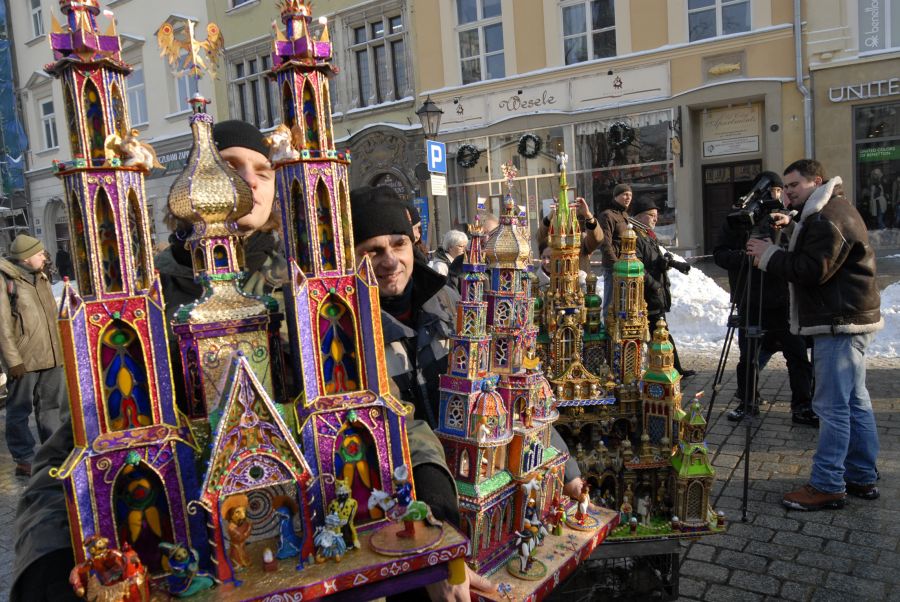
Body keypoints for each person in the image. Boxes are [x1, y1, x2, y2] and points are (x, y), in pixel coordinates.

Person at [11, 120, 288, 601]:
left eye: (262, 169)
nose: (248, 180)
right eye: (230, 165)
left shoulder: (299, 287)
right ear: (195, 186)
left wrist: (430, 489)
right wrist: (48, 568)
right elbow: (67, 456)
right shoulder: (137, 299)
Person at [351, 185, 492, 600]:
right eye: (373, 250)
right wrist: (439, 536)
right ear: (352, 255)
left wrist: (568, 471)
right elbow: (399, 421)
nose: (390, 259)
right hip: (409, 513)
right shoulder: (347, 328)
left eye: (398, 243)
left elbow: (494, 382)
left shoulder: (449, 302)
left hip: (473, 490)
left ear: (413, 242)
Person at [747, 159, 882, 510]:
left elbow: (813, 269)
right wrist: (792, 229)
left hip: (838, 322)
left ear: (816, 181)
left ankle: (827, 484)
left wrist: (770, 254)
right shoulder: (829, 211)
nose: (788, 192)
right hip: (849, 319)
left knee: (832, 407)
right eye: (786, 186)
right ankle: (861, 476)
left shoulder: (826, 217)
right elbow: (822, 255)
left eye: (794, 186)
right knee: (856, 402)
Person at [713, 171, 815, 425]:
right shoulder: (738, 219)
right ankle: (748, 403)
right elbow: (720, 254)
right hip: (750, 297)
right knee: (748, 357)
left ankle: (803, 406)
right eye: (772, 190)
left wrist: (774, 254)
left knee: (797, 355)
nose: (776, 195)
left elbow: (802, 253)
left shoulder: (788, 217)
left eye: (780, 190)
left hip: (783, 298)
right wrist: (747, 257)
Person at [0, 234, 68, 478]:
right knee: (19, 410)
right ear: (27, 258)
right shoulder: (6, 279)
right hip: (24, 358)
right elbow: (2, 325)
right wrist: (13, 361)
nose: (44, 256)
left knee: (51, 407)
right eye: (39, 253)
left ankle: (53, 453)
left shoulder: (41, 277)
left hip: (51, 355)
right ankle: (24, 458)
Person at [628, 197, 693, 378]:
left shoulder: (648, 235)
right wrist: (655, 285)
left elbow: (655, 259)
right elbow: (638, 267)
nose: (656, 219)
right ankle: (666, 370)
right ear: (640, 217)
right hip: (646, 296)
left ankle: (673, 368)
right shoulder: (635, 237)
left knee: (661, 332)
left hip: (656, 292)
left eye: (656, 215)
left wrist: (668, 264)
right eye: (652, 215)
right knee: (660, 333)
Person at [536, 195, 603, 273]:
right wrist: (551, 215)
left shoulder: (581, 239)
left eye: (570, 218)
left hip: (577, 281)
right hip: (553, 281)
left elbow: (597, 240)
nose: (566, 222)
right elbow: (540, 238)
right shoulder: (553, 238)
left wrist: (588, 215)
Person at [598, 183, 632, 318]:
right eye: (624, 194)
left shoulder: (625, 215)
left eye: (630, 195)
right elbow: (605, 243)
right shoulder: (608, 215)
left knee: (624, 302)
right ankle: (608, 332)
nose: (628, 197)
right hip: (613, 267)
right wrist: (616, 264)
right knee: (611, 303)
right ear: (616, 196)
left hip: (625, 266)